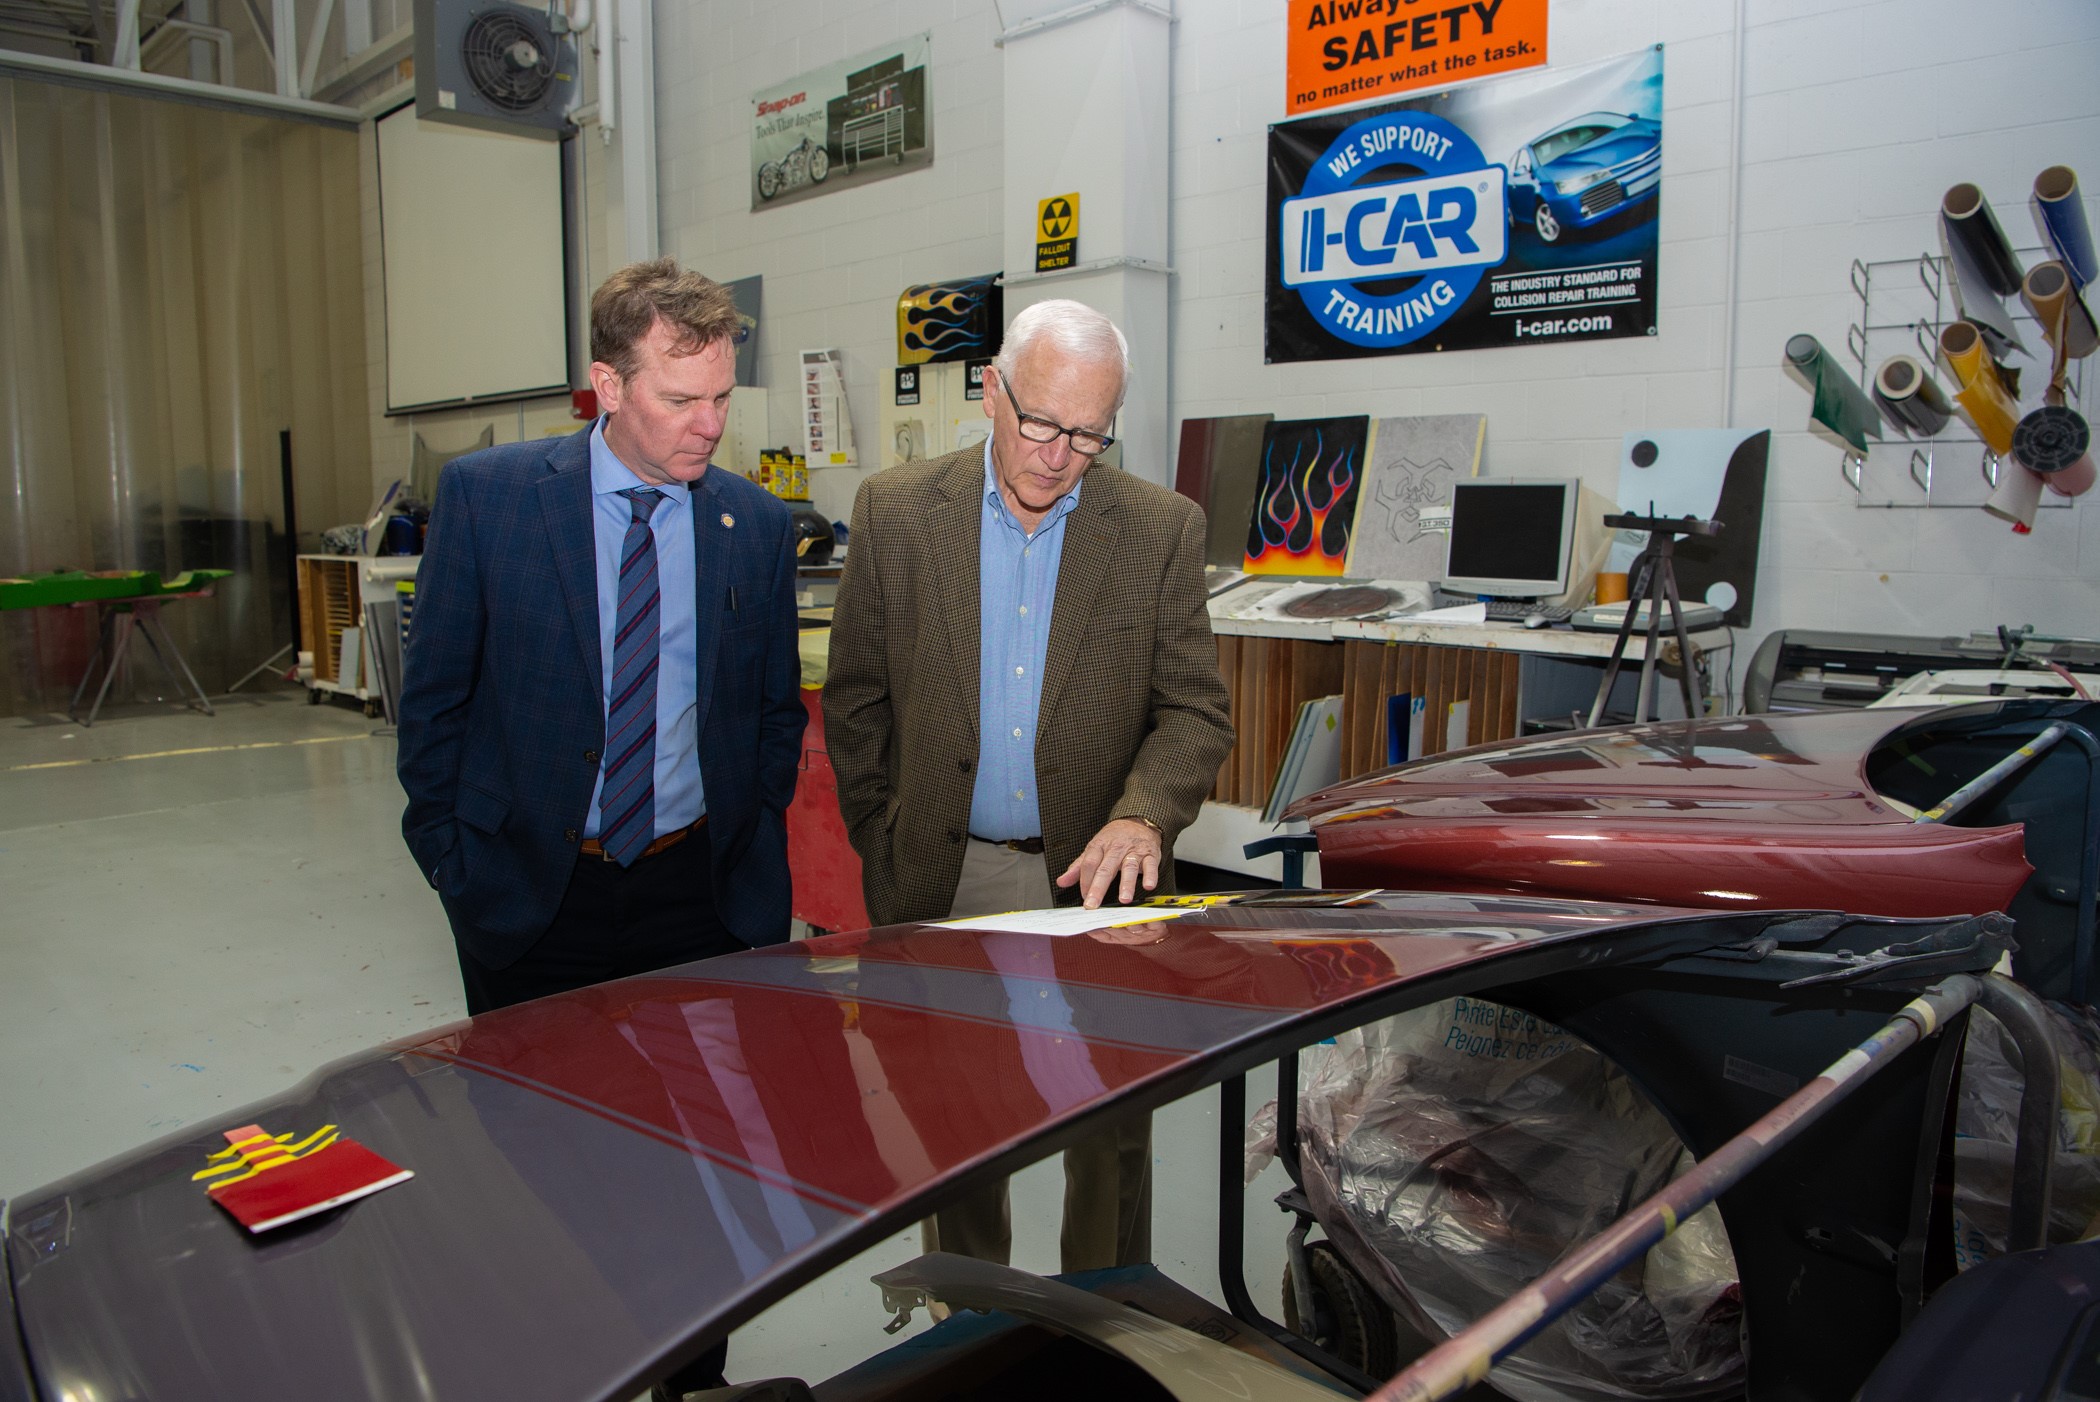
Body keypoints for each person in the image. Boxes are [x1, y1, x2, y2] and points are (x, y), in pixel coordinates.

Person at [823, 297, 1233, 1273]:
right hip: (944, 872)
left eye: (1089, 435)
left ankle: (1104, 1311)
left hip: (1096, 884)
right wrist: (885, 839)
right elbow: (857, 698)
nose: (1058, 456)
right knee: (955, 1116)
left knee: (1110, 1123)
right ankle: (973, 1312)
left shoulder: (1159, 529)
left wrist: (1143, 816)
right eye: (1041, 422)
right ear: (991, 391)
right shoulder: (895, 512)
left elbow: (1194, 711)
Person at [397, 257, 805, 1015]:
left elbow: (773, 710)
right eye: (681, 400)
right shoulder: (490, 500)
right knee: (535, 1090)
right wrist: (452, 861)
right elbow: (433, 701)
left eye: (721, 397)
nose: (712, 425)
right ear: (609, 386)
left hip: (699, 891)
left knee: (697, 1089)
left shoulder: (755, 524)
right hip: (529, 891)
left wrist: (753, 830)